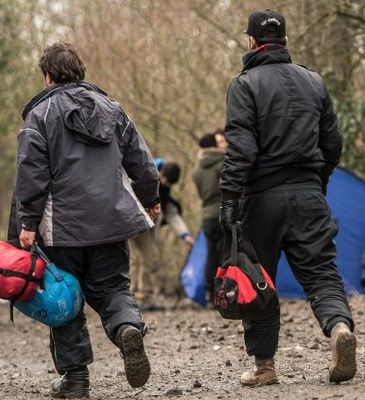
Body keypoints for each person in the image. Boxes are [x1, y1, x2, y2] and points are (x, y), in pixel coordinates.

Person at [9, 42, 158, 398]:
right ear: (80, 71)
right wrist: (151, 199)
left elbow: (31, 174)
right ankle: (126, 328)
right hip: (112, 221)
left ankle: (76, 380)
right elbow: (141, 160)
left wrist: (26, 225)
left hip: (62, 230)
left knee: (65, 299)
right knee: (112, 289)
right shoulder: (113, 109)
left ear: (46, 75)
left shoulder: (41, 115)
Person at [218, 9, 356, 386]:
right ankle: (340, 329)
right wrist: (318, 182)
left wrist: (229, 199)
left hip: (262, 198)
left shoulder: (244, 84)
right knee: (321, 273)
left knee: (259, 279)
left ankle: (264, 367)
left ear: (250, 41)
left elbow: (241, 149)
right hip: (309, 193)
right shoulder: (314, 82)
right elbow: (333, 143)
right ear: (285, 42)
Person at [129, 160, 194, 298]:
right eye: (165, 180)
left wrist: (185, 235)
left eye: (169, 183)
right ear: (161, 172)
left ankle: (144, 292)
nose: (166, 184)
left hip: (146, 226)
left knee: (151, 258)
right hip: (129, 222)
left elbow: (171, 214)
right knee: (133, 259)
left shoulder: (164, 192)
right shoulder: (142, 174)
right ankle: (130, 293)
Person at [192, 130, 227, 305]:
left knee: (211, 257)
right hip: (222, 213)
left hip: (206, 217)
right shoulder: (222, 163)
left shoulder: (196, 170)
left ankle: (210, 294)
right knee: (224, 256)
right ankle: (224, 294)